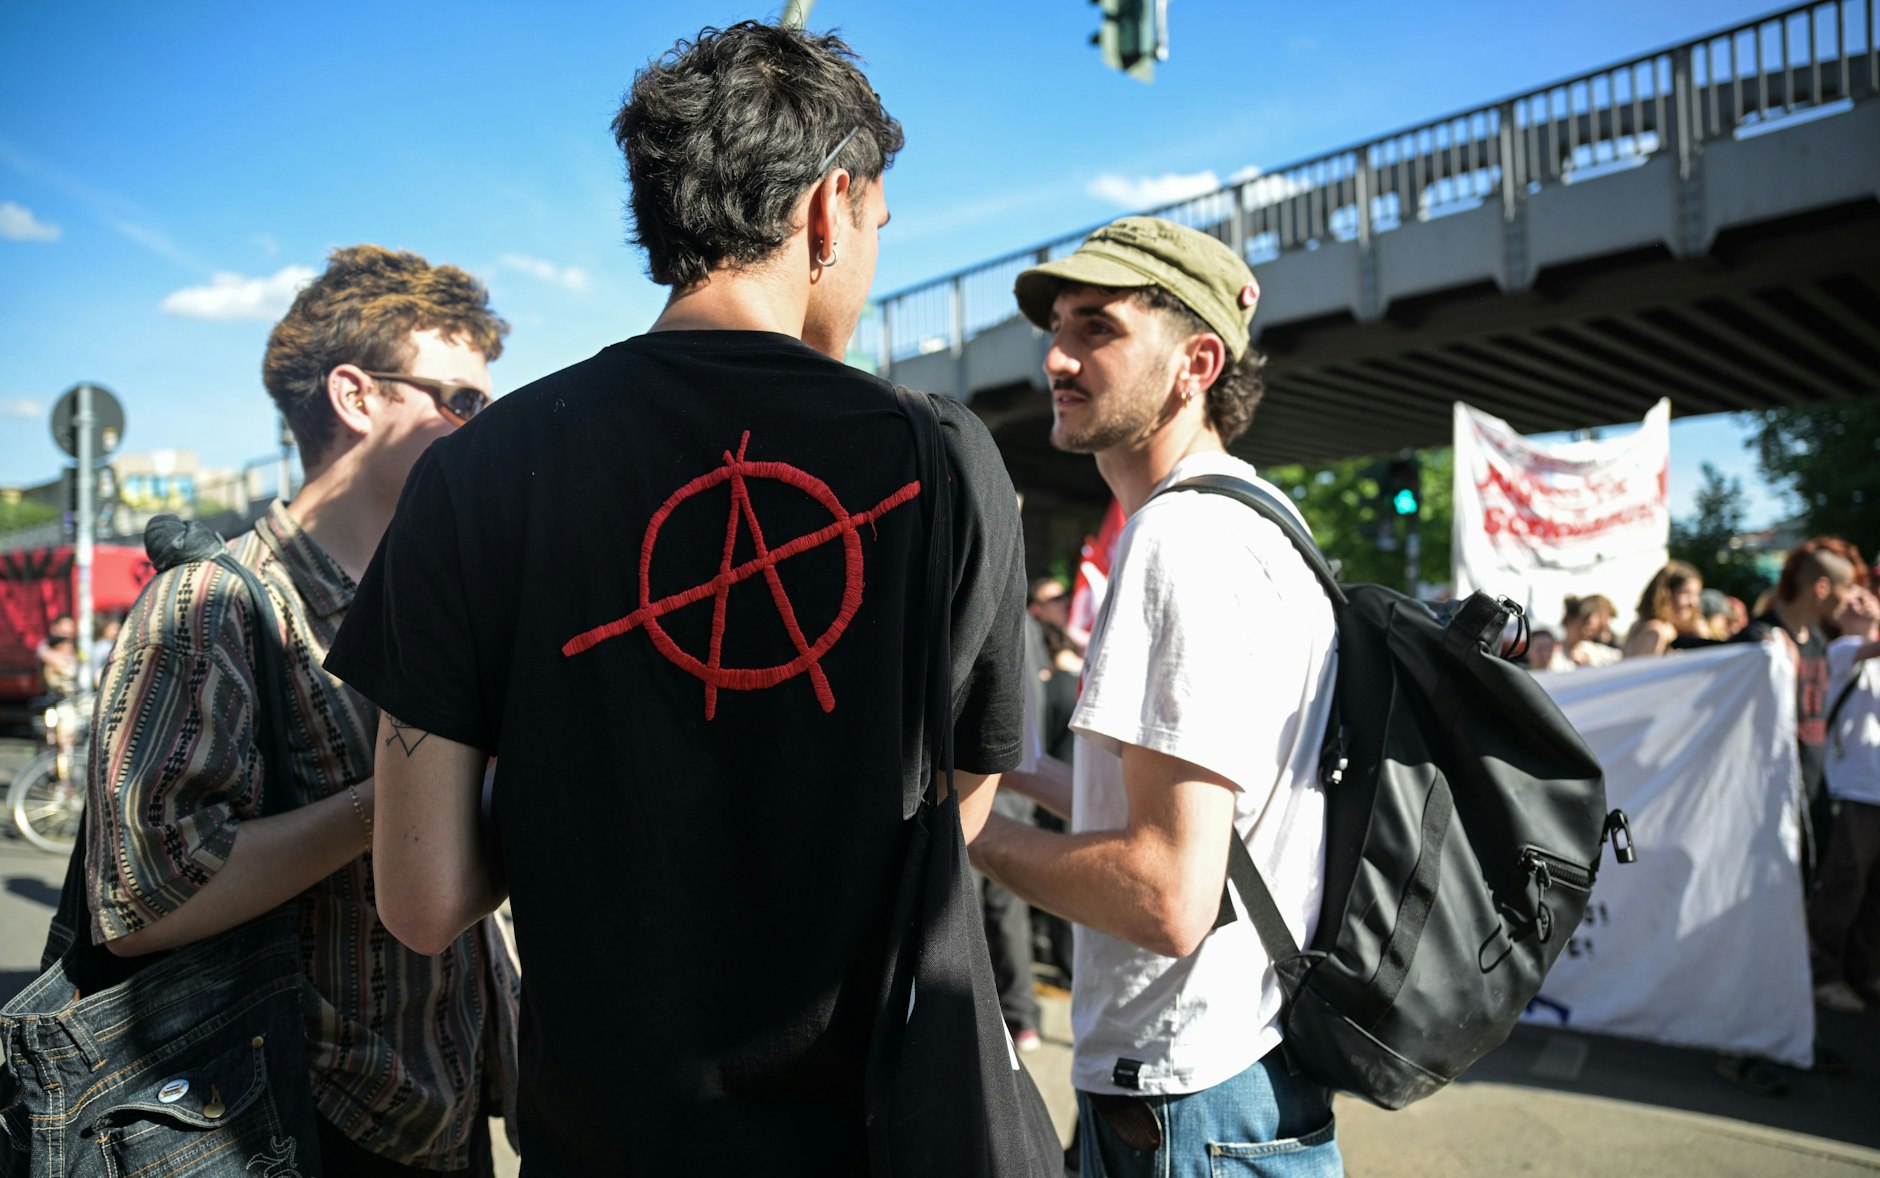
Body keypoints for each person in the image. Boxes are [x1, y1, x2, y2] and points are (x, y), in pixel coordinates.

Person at [323, 22, 1028, 1173]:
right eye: (875, 230)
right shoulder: (942, 462)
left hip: (604, 1138)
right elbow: (965, 793)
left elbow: (425, 895)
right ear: (826, 208)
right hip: (875, 1133)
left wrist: (583, 799)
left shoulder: (477, 471)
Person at [84, 245, 519, 1175]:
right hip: (291, 1117)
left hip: (448, 1102)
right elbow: (141, 896)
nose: (481, 430)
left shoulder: (440, 599)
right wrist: (397, 804)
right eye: (460, 402)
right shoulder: (215, 604)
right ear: (356, 397)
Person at [972, 216, 1342, 1175]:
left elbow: (1169, 893)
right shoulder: (1262, 516)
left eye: (1098, 328)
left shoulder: (1180, 540)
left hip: (1187, 1107)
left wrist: (964, 832)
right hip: (1233, 1084)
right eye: (1057, 326)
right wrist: (1027, 773)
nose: (1056, 356)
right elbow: (1209, 816)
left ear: (1197, 362)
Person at [1810, 582, 1880, 1012]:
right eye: (1848, 599)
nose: (1859, 601)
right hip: (1854, 791)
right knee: (1842, 887)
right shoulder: (1841, 651)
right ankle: (1821, 974)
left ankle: (1865, 972)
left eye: (1865, 594)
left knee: (1874, 893)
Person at [1622, 561, 1713, 657]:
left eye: (1696, 594)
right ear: (1665, 594)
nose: (1693, 603)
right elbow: (1640, 670)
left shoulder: (1647, 625)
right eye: (1685, 593)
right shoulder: (1656, 631)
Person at [1551, 594, 1622, 671]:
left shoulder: (1591, 650)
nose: (1587, 632)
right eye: (1584, 624)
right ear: (1569, 620)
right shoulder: (1552, 653)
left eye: (1591, 628)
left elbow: (1622, 658)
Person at [35, 615, 78, 699]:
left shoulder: (76, 646)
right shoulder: (46, 645)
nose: (68, 629)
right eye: (64, 625)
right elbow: (64, 667)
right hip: (54, 695)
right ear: (55, 628)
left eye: (70, 626)